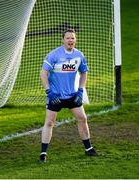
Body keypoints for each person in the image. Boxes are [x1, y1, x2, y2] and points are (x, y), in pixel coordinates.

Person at [39, 29, 97, 162]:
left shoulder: (79, 55)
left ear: (75, 40)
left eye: (72, 38)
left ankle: (88, 149)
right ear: (63, 40)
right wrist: (49, 92)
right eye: (68, 38)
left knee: (82, 118)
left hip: (72, 96)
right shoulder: (54, 55)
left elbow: (84, 73)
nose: (70, 40)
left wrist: (81, 90)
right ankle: (43, 154)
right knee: (49, 123)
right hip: (56, 96)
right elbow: (43, 74)